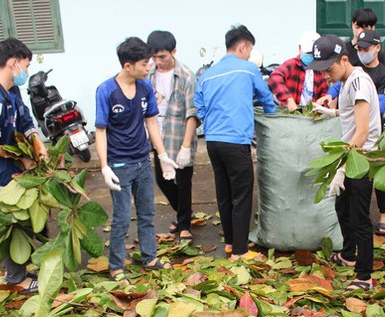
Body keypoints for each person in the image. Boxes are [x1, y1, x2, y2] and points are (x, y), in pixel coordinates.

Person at [95, 37, 176, 284]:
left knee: (147, 212)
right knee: (121, 217)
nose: (149, 67)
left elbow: (151, 122)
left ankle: (150, 257)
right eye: (144, 63)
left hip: (142, 161)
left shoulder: (145, 88)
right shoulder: (106, 90)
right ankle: (116, 266)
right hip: (120, 165)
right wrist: (104, 166)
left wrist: (162, 156)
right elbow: (101, 131)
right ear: (128, 66)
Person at [194, 25, 276, 261]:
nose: (249, 55)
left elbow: (198, 104)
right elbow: (266, 98)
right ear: (242, 46)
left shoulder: (208, 74)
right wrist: (272, 119)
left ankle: (230, 244)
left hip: (213, 142)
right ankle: (240, 251)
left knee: (225, 193)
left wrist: (210, 120)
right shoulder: (248, 69)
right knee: (242, 194)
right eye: (249, 50)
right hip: (236, 141)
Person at [0, 38, 46, 293]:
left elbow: (24, 119)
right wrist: (19, 157)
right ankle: (16, 279)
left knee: (23, 224)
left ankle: (22, 270)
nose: (26, 71)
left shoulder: (12, 91)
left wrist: (38, 144)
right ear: (13, 63)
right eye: (25, 65)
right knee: (10, 228)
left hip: (12, 173)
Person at [310, 35, 381, 292]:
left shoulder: (359, 82)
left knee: (360, 217)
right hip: (351, 156)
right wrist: (333, 112)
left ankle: (364, 276)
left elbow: (362, 132)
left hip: (361, 159)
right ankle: (349, 255)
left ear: (343, 59)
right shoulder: (349, 81)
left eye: (329, 69)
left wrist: (341, 169)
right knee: (343, 207)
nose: (326, 76)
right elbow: (353, 114)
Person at [146, 30, 199, 241]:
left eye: (162, 57)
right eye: (154, 57)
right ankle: (184, 212)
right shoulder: (148, 74)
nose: (158, 62)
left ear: (173, 52)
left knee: (183, 183)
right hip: (158, 138)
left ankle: (184, 224)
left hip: (179, 138)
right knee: (162, 180)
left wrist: (186, 146)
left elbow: (192, 113)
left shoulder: (186, 75)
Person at [354, 29, 385, 237]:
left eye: (366, 48)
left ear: (377, 48)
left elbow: (381, 105)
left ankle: (384, 216)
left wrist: (360, 105)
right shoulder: (355, 71)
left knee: (380, 177)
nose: (362, 52)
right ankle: (361, 219)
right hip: (356, 130)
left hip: (376, 133)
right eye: (359, 49)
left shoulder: (383, 74)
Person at [268, 31, 329, 112]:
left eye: (313, 54)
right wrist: (288, 99)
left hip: (310, 115)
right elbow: (275, 77)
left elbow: (324, 92)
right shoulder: (291, 65)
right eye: (308, 53)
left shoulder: (320, 71)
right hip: (291, 114)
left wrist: (322, 101)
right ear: (300, 49)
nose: (311, 56)